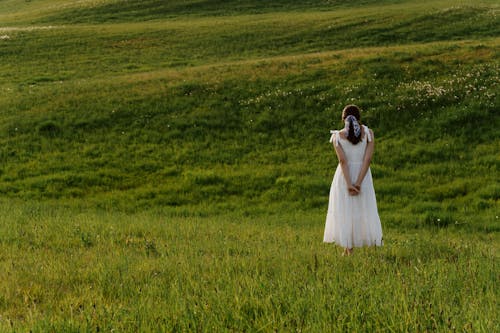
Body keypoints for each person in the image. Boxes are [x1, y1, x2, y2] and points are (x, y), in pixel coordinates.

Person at [323, 105, 383, 256]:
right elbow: (367, 159)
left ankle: (348, 249)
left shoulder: (337, 136)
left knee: (346, 209)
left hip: (345, 177)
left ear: (343, 119)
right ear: (359, 118)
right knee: (362, 208)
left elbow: (343, 161)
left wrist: (349, 184)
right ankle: (363, 243)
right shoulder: (369, 133)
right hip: (363, 176)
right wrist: (358, 183)